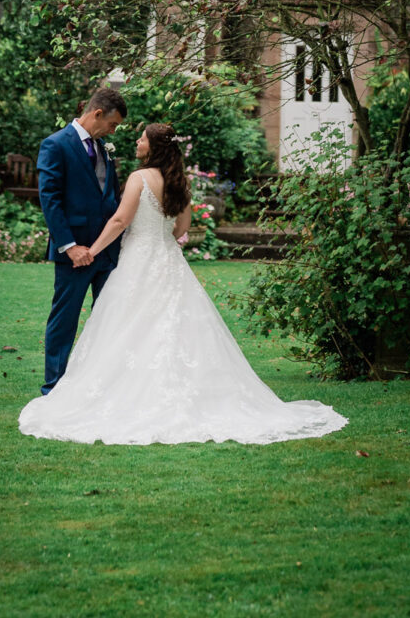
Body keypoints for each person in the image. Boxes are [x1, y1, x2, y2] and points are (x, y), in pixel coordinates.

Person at [19, 122, 349, 445]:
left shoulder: (139, 178)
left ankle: (127, 392)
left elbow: (120, 220)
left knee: (127, 327)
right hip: (168, 261)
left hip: (137, 261)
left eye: (141, 139)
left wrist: (92, 249)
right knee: (172, 326)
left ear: (153, 147)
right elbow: (180, 230)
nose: (136, 143)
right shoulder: (180, 182)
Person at [34, 85, 127, 395]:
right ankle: (54, 387)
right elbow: (50, 199)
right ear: (97, 113)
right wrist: (70, 246)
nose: (113, 131)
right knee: (65, 320)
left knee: (110, 320)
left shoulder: (103, 148)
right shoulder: (55, 145)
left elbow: (110, 197)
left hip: (107, 252)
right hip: (74, 253)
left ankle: (104, 386)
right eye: (112, 124)